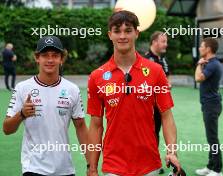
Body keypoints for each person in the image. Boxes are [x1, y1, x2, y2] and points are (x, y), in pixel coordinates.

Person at [87, 10, 181, 176]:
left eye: (128, 30)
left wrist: (172, 151)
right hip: (113, 165)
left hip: (149, 164)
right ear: (110, 35)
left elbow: (167, 116)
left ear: (137, 33)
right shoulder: (97, 76)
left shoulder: (156, 71)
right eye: (117, 31)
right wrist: (92, 167)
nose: (122, 36)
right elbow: (95, 125)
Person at [3, 36, 89, 176]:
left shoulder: (72, 89)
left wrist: (90, 164)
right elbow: (7, 129)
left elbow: (81, 128)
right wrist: (22, 114)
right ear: (37, 58)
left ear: (62, 59)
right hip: (33, 169)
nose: (50, 60)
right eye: (45, 55)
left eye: (55, 55)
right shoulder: (22, 88)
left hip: (65, 169)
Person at [195, 37, 223, 176]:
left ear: (208, 49)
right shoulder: (210, 63)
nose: (200, 48)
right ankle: (210, 166)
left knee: (212, 138)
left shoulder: (211, 64)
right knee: (210, 137)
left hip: (211, 106)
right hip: (209, 104)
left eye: (202, 46)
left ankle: (217, 170)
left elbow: (198, 78)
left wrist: (199, 64)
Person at [145, 31, 170, 174]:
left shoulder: (163, 60)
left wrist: (166, 85)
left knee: (156, 133)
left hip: (161, 107)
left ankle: (155, 162)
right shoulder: (146, 60)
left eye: (166, 41)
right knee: (148, 134)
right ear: (154, 42)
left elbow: (168, 79)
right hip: (149, 107)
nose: (165, 44)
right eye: (163, 41)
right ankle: (147, 163)